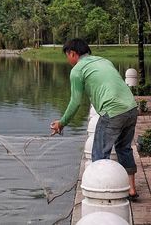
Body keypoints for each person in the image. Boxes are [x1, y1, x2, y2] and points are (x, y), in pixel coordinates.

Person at [50, 38, 138, 200]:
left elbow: (75, 102)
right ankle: (131, 189)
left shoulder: (77, 70)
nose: (67, 59)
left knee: (99, 154)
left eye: (67, 55)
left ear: (73, 54)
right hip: (131, 108)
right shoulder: (104, 61)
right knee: (124, 148)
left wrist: (62, 122)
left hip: (112, 112)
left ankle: (100, 194)